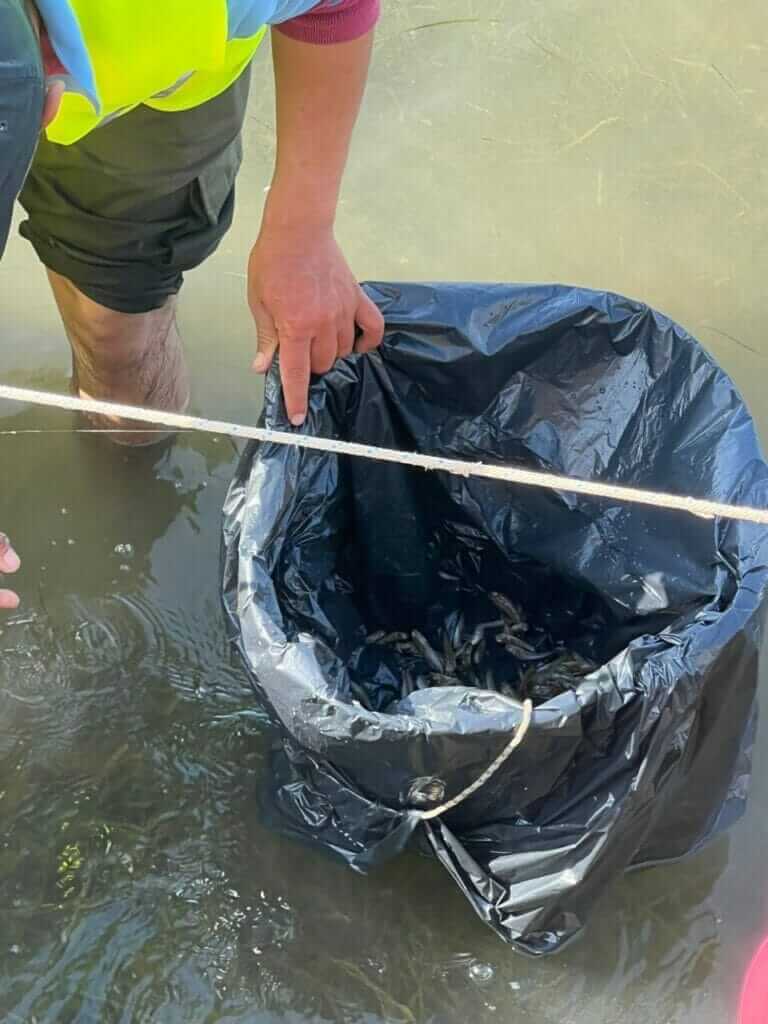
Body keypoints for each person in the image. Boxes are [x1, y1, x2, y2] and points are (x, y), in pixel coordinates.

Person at [0, 0, 386, 609]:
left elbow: (336, 5)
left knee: (123, 367)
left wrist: (302, 229)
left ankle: (129, 493)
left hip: (146, 96)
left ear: (48, 91)